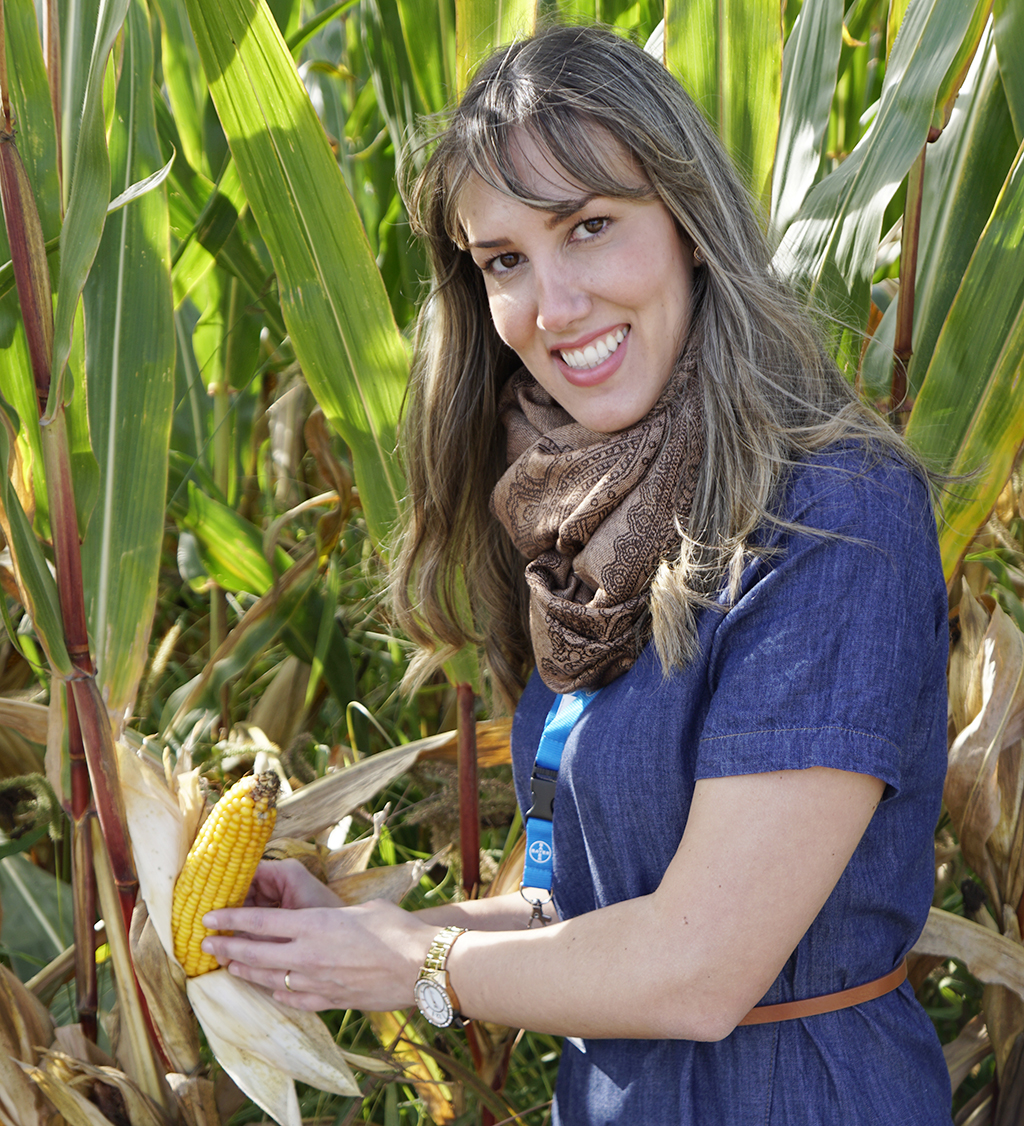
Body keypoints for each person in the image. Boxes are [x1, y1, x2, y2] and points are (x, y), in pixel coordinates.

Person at [201, 24, 953, 1124]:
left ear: (689, 225)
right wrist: (357, 934)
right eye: (504, 260)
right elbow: (585, 908)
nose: (552, 307)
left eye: (589, 227)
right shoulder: (581, 536)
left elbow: (695, 968)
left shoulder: (834, 519)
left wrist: (413, 969)